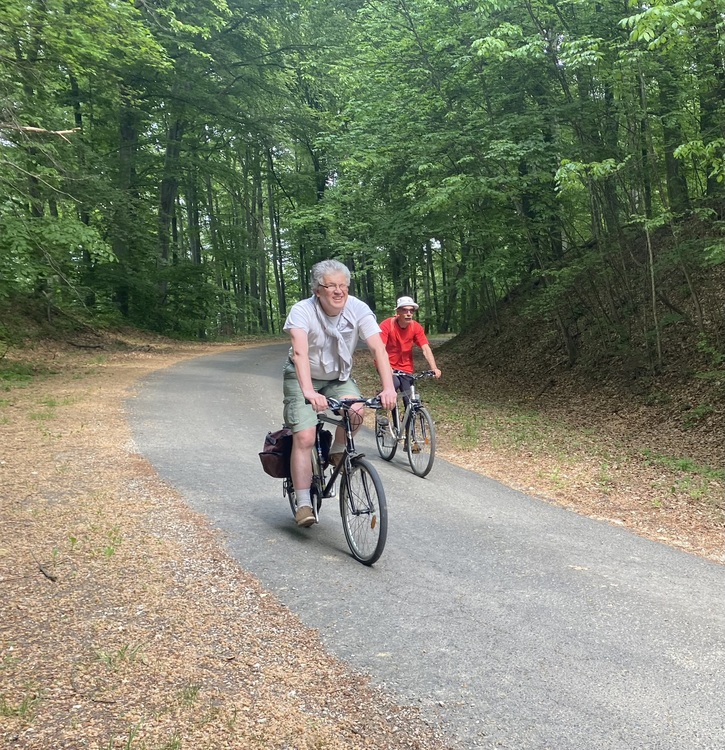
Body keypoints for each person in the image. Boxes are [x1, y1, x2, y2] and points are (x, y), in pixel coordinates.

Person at [283, 259, 397, 527]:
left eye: (343, 285)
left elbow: (378, 349)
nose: (338, 291)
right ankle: (303, 503)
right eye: (331, 285)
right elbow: (299, 353)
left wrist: (389, 387)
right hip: (303, 376)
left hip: (338, 377)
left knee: (356, 411)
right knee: (305, 436)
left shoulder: (358, 309)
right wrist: (308, 391)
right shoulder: (302, 310)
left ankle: (337, 450)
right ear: (317, 290)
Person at [379, 295, 441, 408]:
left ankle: (409, 419)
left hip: (406, 367)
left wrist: (434, 368)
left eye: (411, 310)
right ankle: (384, 409)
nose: (409, 313)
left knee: (409, 399)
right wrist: (387, 368)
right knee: (393, 385)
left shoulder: (415, 327)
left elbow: (426, 348)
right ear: (398, 311)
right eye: (405, 310)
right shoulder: (387, 325)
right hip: (387, 364)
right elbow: (380, 350)